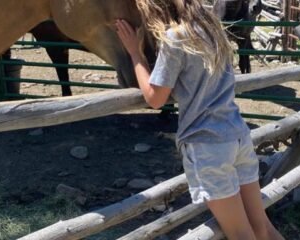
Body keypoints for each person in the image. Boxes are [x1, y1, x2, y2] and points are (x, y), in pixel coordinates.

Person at [115, 0, 284, 239]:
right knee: (262, 227)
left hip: (208, 145)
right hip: (237, 135)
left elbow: (155, 99)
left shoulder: (176, 38)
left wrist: (135, 55)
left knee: (240, 234)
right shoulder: (212, 27)